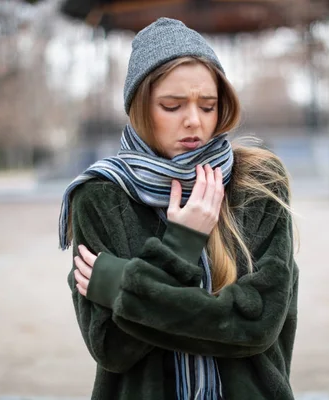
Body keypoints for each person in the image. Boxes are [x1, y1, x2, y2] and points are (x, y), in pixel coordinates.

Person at [58, 17, 299, 400]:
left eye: (208, 106)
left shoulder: (259, 182)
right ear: (140, 108)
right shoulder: (100, 197)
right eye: (172, 106)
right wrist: (180, 245)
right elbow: (112, 348)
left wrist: (124, 286)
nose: (194, 121)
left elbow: (257, 325)